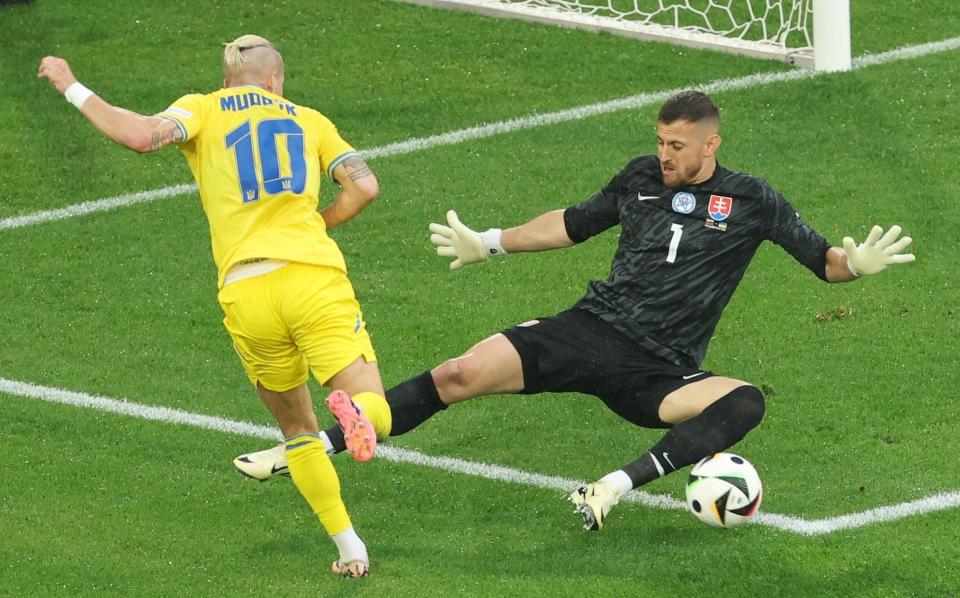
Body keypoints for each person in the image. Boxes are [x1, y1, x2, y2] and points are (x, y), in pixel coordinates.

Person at [235, 90, 915, 532]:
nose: (664, 154)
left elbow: (822, 261)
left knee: (743, 404)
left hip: (661, 373)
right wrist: (490, 243)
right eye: (660, 141)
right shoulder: (639, 178)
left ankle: (614, 486)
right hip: (590, 331)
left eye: (677, 146)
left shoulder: (753, 200)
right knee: (458, 373)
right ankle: (305, 447)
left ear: (712, 145)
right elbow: (573, 223)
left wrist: (855, 266)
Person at [38, 34, 396, 578]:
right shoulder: (309, 119)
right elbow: (365, 187)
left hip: (246, 291)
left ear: (227, 79)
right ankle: (351, 419)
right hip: (310, 277)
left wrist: (71, 85)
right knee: (379, 410)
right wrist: (316, 224)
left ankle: (350, 549)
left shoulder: (201, 107)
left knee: (295, 431)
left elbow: (140, 136)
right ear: (275, 79)